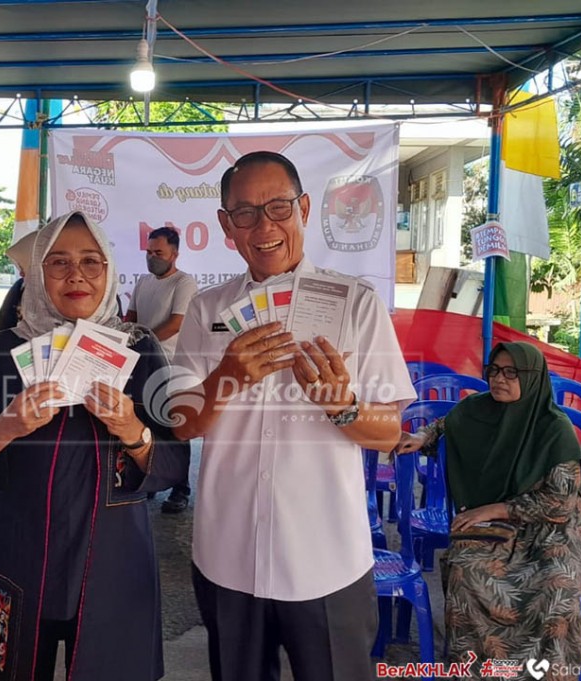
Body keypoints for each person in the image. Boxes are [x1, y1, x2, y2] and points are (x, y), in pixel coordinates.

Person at [170, 151, 415, 681]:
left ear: (304, 208)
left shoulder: (356, 304)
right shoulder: (207, 310)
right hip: (227, 551)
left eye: (279, 207)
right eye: (245, 213)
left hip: (326, 557)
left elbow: (390, 432)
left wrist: (341, 404)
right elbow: (182, 423)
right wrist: (225, 377)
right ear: (225, 225)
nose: (264, 226)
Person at [0, 211, 187, 681]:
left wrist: (133, 430)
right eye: (59, 262)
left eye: (91, 262)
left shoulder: (139, 349)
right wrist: (6, 426)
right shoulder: (2, 351)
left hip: (113, 560)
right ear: (37, 272)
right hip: (10, 554)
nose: (76, 276)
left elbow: (175, 463)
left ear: (109, 271)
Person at [395, 342, 581, 678]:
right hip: (492, 527)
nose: (499, 379)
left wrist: (497, 507)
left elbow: (559, 503)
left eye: (511, 372)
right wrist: (421, 436)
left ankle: (545, 673)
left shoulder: (554, 428)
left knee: (556, 584)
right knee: (467, 570)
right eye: (494, 370)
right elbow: (445, 425)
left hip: (551, 529)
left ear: (532, 378)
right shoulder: (476, 410)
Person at [127, 226, 198, 513]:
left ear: (175, 254)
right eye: (149, 252)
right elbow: (130, 317)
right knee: (144, 425)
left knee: (174, 427)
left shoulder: (184, 283)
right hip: (142, 366)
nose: (152, 257)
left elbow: (176, 323)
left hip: (170, 365)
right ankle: (152, 480)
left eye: (158, 253)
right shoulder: (143, 282)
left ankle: (181, 488)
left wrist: (142, 341)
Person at [0, 229, 37, 331]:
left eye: (23, 267)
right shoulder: (20, 287)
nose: (21, 273)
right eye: (20, 267)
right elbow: (5, 326)